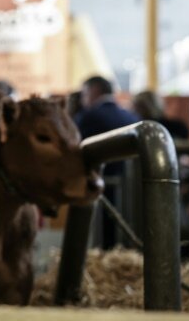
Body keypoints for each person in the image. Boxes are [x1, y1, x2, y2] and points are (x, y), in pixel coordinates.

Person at [74, 76, 139, 250]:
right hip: (133, 193)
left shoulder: (88, 117)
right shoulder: (132, 117)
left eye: (84, 94)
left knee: (102, 241)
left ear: (95, 91)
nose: (82, 99)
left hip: (100, 191)